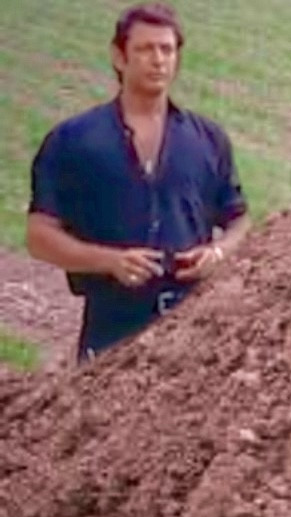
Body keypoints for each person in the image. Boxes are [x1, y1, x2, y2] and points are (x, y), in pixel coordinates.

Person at [26, 3, 249, 361]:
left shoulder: (209, 140)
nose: (158, 60)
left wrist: (217, 254)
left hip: (193, 333)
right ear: (119, 57)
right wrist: (109, 261)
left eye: (167, 49)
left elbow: (240, 221)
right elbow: (39, 237)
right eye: (145, 49)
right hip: (111, 328)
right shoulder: (73, 141)